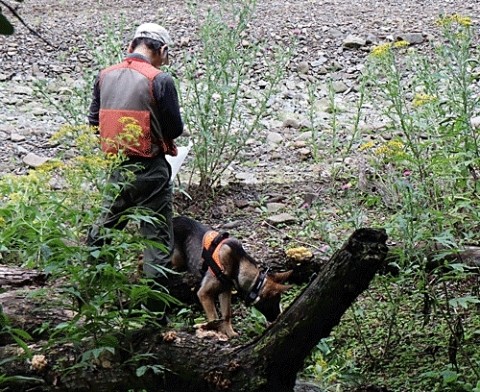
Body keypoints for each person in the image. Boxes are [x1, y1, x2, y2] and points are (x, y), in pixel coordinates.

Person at [86, 22, 184, 280]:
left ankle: (94, 293)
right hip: (151, 170)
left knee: (102, 233)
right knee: (157, 242)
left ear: (131, 46)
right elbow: (174, 129)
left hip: (117, 167)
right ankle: (154, 315)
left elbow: (94, 122)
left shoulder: (104, 75)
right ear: (162, 50)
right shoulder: (160, 80)